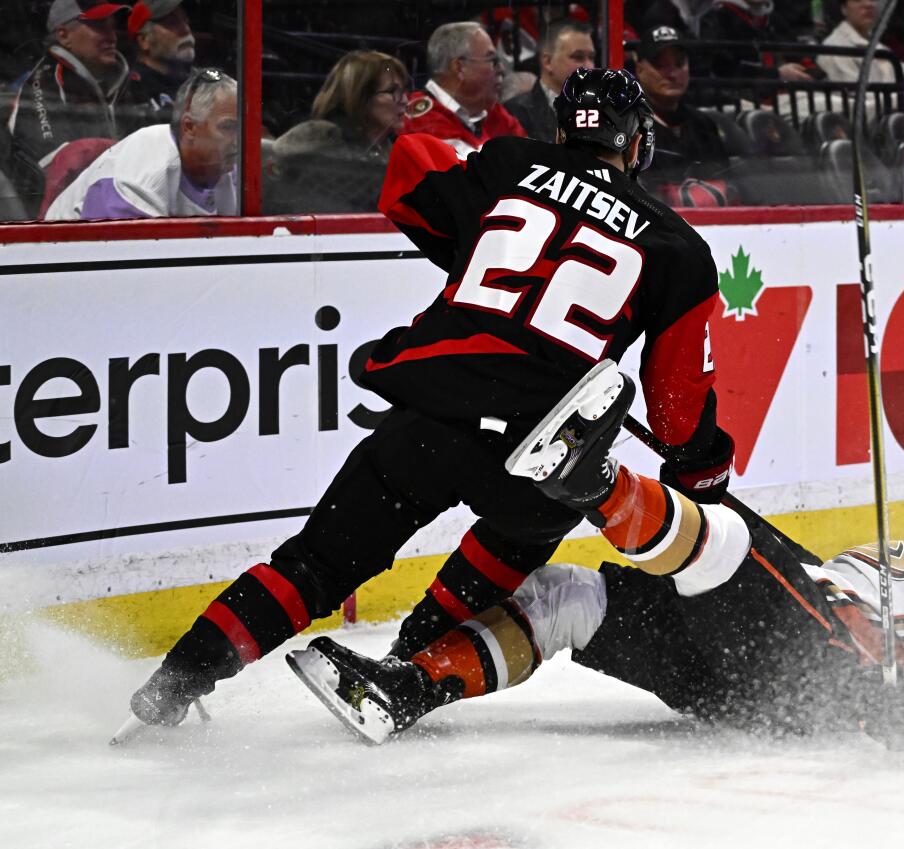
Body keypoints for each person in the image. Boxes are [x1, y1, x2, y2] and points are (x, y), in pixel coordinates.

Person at [118, 68, 733, 737]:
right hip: (543, 457)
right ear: (638, 142)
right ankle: (402, 670)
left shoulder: (508, 161)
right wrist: (702, 480)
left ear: (560, 131)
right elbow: (678, 413)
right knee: (515, 533)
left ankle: (173, 683)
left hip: (433, 416)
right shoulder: (677, 245)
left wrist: (477, 246)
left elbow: (409, 187)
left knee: (315, 566)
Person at [290, 359, 904, 750]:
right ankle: (402, 692)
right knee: (570, 596)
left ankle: (590, 478)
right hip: (758, 682)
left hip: (822, 668)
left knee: (727, 534)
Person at [45, 67, 237, 219]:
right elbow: (123, 265)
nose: (238, 140)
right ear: (189, 127)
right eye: (228, 127)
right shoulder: (139, 180)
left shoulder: (224, 165)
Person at [4, 0, 135, 213]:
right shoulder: (43, 82)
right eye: (99, 26)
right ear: (64, 35)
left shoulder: (124, 82)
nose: (112, 37)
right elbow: (57, 167)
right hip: (58, 218)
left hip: (112, 203)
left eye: (112, 27)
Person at [263, 51, 409, 214]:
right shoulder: (319, 137)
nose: (404, 100)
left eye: (403, 91)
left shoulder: (397, 148)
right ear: (360, 95)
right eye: (393, 92)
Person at [632, 26, 732, 206]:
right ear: (639, 70)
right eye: (660, 65)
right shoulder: (627, 127)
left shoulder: (704, 125)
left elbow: (729, 187)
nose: (672, 74)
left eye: (679, 64)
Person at [403, 21, 526, 158]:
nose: (502, 70)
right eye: (492, 61)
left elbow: (532, 159)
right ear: (459, 67)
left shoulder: (490, 110)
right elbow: (474, 174)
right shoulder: (421, 120)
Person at [503, 19, 597, 142]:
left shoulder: (602, 111)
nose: (589, 66)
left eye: (591, 57)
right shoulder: (515, 113)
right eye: (578, 57)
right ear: (547, 62)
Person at [698, 0, 813, 84]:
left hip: (779, 94)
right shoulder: (719, 17)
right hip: (738, 99)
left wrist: (810, 72)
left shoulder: (773, 18)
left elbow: (799, 57)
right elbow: (723, 70)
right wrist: (777, 75)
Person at [125, 0, 196, 124]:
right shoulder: (131, 91)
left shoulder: (203, 79)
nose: (186, 29)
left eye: (186, 20)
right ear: (144, 40)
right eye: (172, 23)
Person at [817, 0, 899, 84]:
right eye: (858, 0)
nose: (869, 4)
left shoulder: (878, 46)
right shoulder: (834, 49)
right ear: (843, 8)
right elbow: (857, 94)